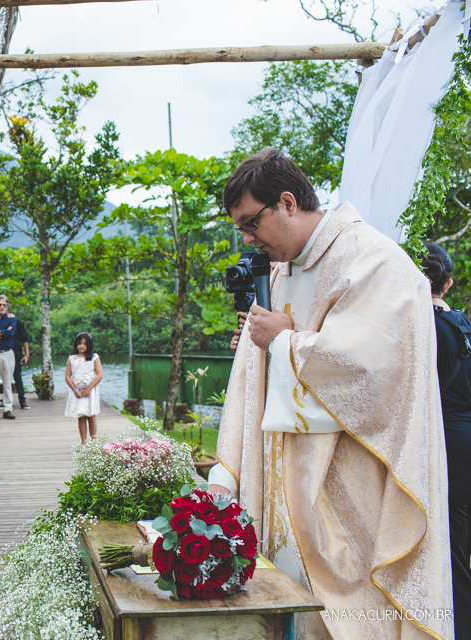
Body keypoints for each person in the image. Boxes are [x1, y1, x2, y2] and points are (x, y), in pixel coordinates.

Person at [208, 148, 451, 639]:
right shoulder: (278, 269)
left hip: (348, 482)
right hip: (280, 480)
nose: (248, 238)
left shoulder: (375, 260)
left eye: (251, 223)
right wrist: (225, 469)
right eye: (241, 228)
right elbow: (252, 371)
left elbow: (376, 368)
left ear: (289, 202)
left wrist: (285, 342)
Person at [422, 242, 471, 640]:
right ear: (449, 283)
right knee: (459, 536)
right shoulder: (464, 324)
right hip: (467, 437)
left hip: (441, 438)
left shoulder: (421, 328)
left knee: (437, 539)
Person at [64, 332, 103, 443]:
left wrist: (89, 389)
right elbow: (67, 376)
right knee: (81, 416)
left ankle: (94, 442)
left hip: (90, 391)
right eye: (79, 343)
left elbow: (99, 374)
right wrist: (75, 390)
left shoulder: (94, 358)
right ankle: (83, 442)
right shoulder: (72, 359)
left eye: (85, 344)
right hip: (78, 392)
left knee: (91, 416)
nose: (82, 346)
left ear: (89, 345)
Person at [12, 315, 31, 410]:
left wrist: (27, 354)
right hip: (4, 353)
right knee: (5, 379)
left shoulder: (18, 323)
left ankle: (22, 400)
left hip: (16, 354)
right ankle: (4, 401)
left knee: (18, 378)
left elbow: (24, 339)